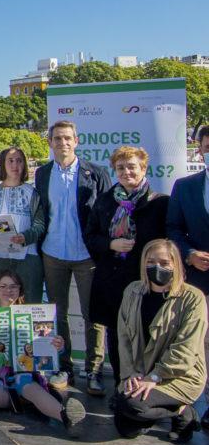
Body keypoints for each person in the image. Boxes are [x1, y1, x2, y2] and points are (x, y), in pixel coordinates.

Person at [0, 270, 86, 438]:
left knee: (29, 387)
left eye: (13, 286)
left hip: (23, 371)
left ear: (20, 289)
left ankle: (67, 418)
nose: (8, 291)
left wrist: (58, 346)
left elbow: (50, 348)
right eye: (3, 286)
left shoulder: (32, 314)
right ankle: (34, 400)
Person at [86, 146, 169, 393]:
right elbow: (90, 236)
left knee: (149, 333)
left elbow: (168, 244)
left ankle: (149, 385)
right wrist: (111, 244)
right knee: (116, 334)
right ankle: (123, 383)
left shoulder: (161, 203)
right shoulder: (104, 201)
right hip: (112, 281)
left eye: (131, 166)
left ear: (143, 169)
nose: (126, 172)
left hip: (147, 281)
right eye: (120, 167)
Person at [35, 120, 111, 391]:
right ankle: (64, 366)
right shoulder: (42, 174)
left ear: (76, 141)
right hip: (53, 253)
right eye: (57, 138)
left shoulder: (96, 173)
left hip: (86, 255)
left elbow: (107, 215)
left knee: (94, 315)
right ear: (50, 143)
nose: (63, 143)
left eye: (68, 138)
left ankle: (94, 370)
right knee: (58, 314)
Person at [113, 239, 207, 443]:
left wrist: (154, 377)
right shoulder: (133, 291)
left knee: (133, 406)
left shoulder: (193, 298)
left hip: (178, 376)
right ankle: (171, 410)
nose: (157, 267)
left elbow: (186, 350)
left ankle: (183, 411)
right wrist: (132, 373)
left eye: (164, 263)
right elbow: (123, 338)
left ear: (175, 264)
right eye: (151, 261)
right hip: (141, 372)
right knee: (125, 426)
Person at [0, 147, 46, 302]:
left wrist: (25, 237)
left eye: (19, 161)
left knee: (30, 301)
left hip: (27, 256)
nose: (15, 165)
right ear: (2, 164)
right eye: (11, 161)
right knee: (0, 303)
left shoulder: (32, 192)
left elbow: (40, 224)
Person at [166, 125, 209, 296]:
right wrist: (190, 254)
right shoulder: (184, 187)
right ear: (200, 150)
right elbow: (173, 228)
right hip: (200, 281)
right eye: (208, 147)